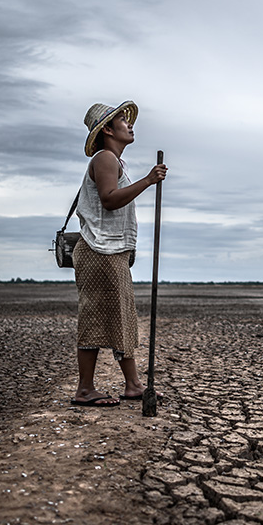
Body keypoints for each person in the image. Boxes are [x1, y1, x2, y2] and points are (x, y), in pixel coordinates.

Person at [71, 100, 167, 407]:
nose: (130, 124)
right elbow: (110, 199)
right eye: (123, 121)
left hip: (110, 251)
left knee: (120, 315)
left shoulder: (114, 161)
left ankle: (133, 384)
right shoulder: (104, 158)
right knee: (95, 316)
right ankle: (85, 389)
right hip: (99, 250)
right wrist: (148, 181)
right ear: (108, 130)